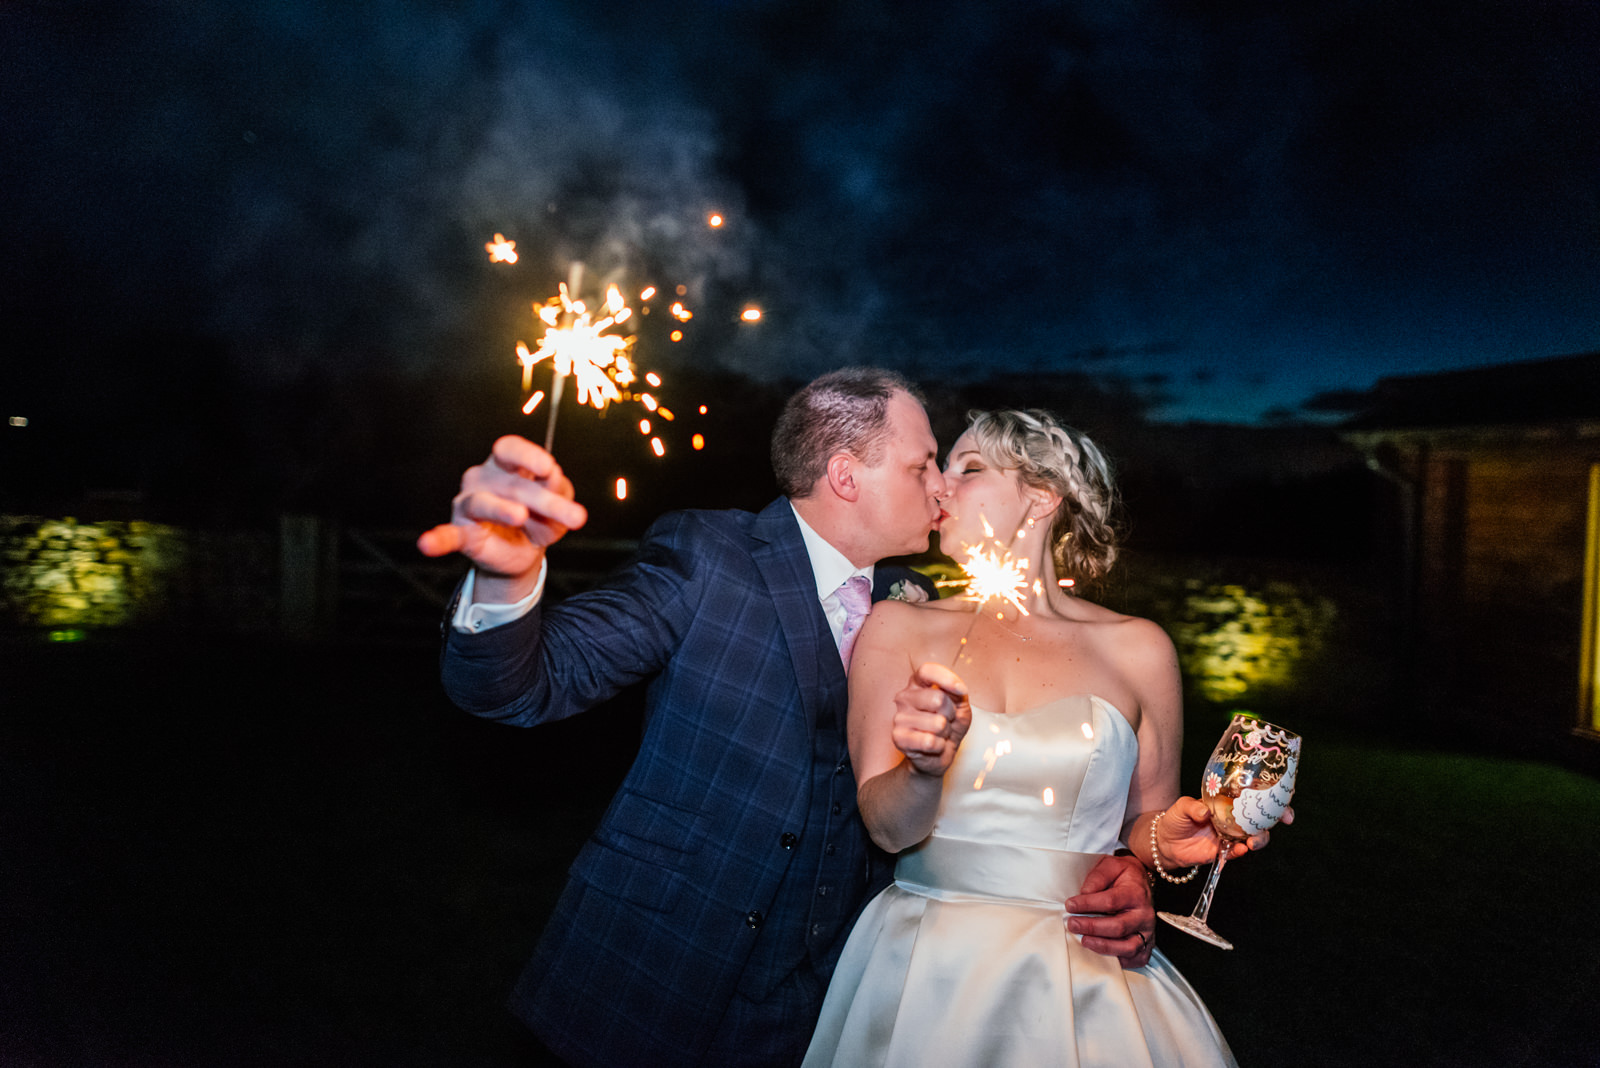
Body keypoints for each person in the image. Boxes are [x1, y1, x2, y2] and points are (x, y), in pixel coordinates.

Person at [416, 370, 1156, 1068]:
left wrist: (1122, 863)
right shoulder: (709, 557)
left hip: (828, 1002)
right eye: (922, 465)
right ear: (845, 475)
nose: (939, 489)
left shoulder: (920, 600)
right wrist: (504, 578)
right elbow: (524, 686)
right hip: (657, 964)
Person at [803, 408, 1285, 1068]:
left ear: (1042, 495)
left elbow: (1142, 829)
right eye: (939, 471)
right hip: (924, 966)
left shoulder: (1138, 649)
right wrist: (921, 769)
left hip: (1085, 973)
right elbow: (886, 829)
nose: (940, 487)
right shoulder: (896, 629)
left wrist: (1164, 844)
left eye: (967, 469)